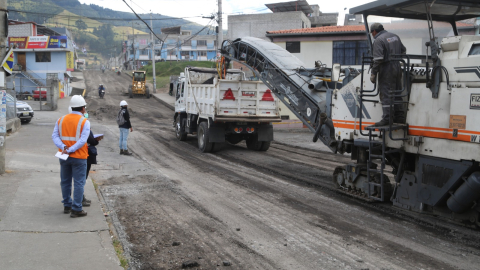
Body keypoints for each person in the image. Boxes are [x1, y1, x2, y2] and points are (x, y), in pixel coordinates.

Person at [52, 95, 90, 218]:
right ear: (83, 108)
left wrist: (64, 148)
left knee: (65, 181)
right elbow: (83, 140)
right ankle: (77, 208)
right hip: (79, 157)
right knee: (79, 183)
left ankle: (67, 205)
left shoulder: (61, 120)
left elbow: (55, 136)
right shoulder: (85, 121)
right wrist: (71, 149)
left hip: (64, 156)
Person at [369, 23, 407, 126]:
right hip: (397, 67)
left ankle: (387, 119)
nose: (372, 35)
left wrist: (373, 73)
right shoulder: (394, 36)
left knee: (386, 93)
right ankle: (399, 117)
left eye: (372, 33)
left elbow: (378, 60)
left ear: (374, 31)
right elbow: (403, 50)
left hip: (386, 69)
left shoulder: (378, 40)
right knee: (397, 92)